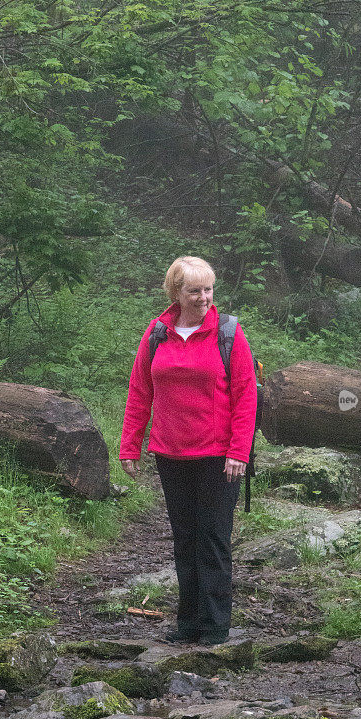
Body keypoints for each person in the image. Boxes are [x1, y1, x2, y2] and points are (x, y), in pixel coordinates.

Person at [119, 256, 257, 646]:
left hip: (218, 456)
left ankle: (214, 627)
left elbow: (246, 396)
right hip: (170, 453)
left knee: (213, 538)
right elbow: (140, 391)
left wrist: (239, 452)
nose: (204, 298)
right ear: (175, 292)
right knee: (185, 538)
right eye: (195, 291)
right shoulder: (157, 333)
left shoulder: (228, 332)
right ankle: (188, 624)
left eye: (209, 289)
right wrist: (130, 446)